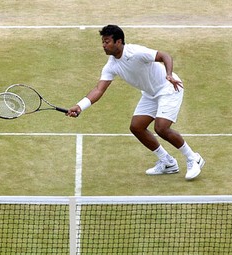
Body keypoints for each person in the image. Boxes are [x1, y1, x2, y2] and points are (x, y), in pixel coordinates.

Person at [67, 25, 204, 180]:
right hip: (150, 94)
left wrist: (169, 74)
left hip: (169, 88)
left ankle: (193, 158)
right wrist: (80, 106)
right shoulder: (111, 65)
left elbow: (164, 56)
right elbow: (99, 89)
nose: (103, 45)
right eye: (103, 42)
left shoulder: (136, 52)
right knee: (137, 127)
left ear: (118, 42)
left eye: (107, 41)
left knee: (161, 127)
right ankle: (168, 162)